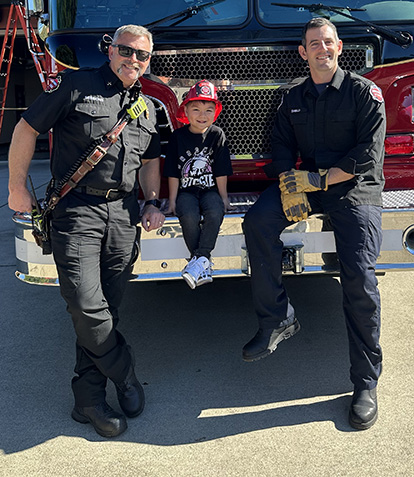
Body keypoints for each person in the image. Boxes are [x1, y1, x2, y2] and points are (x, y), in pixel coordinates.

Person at [8, 24, 165, 438]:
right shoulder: (77, 85)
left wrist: (151, 199)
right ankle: (126, 374)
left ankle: (88, 401)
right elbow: (27, 128)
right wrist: (17, 185)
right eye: (127, 51)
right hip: (77, 210)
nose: (134, 60)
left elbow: (151, 159)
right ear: (110, 51)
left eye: (143, 56)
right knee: (84, 304)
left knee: (107, 308)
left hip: (123, 214)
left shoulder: (146, 107)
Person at [242, 17, 385, 430]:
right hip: (308, 185)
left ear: (340, 47)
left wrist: (318, 180)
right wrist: (290, 186)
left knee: (359, 276)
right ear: (303, 53)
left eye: (328, 42)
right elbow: (282, 144)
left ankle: (364, 383)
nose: (322, 49)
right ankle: (276, 318)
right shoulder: (292, 97)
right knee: (257, 223)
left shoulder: (363, 92)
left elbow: (368, 157)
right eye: (313, 44)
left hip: (354, 190)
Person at [164, 79, 233, 289]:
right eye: (196, 109)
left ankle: (199, 259)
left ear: (215, 113)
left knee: (215, 212)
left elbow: (220, 170)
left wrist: (224, 198)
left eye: (208, 110)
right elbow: (173, 172)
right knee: (189, 215)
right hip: (186, 192)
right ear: (186, 110)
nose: (202, 116)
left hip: (210, 190)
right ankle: (202, 261)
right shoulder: (177, 137)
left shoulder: (217, 135)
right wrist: (172, 201)